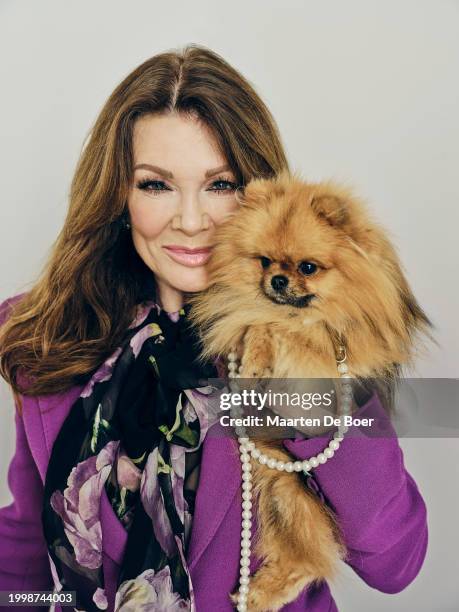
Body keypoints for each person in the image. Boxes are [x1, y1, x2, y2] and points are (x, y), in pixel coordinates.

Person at [0, 44, 428, 612]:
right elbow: (28, 546)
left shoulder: (314, 340)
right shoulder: (48, 335)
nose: (193, 219)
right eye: (155, 184)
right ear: (119, 196)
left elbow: (395, 560)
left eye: (220, 185)